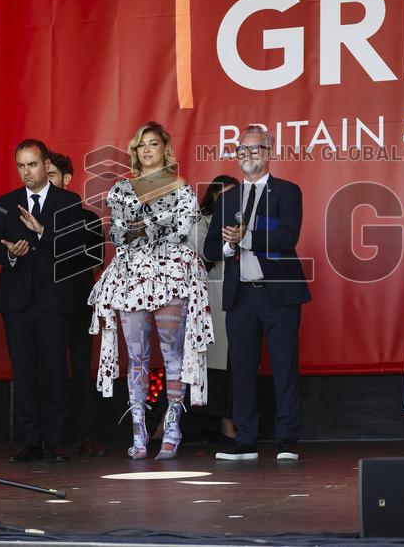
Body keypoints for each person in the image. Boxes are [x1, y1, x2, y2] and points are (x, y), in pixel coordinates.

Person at [89, 122, 214, 460]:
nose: (146, 150)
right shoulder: (121, 189)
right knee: (137, 357)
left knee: (173, 354)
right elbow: (115, 234)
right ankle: (140, 433)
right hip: (131, 277)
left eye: (153, 143)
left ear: (165, 149)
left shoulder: (181, 188)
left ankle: (172, 427)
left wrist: (144, 227)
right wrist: (136, 231)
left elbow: (181, 230)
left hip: (172, 274)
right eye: (141, 144)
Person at [204, 125, 311, 461]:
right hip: (241, 296)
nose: (247, 155)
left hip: (279, 294)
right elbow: (210, 249)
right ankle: (245, 440)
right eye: (241, 150)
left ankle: (287, 441)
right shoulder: (227, 199)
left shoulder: (287, 192)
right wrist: (228, 244)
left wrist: (246, 238)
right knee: (242, 370)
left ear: (269, 152)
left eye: (255, 149)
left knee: (284, 368)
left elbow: (287, 238)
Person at [0, 139, 85, 463]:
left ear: (45, 165)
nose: (26, 172)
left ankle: (56, 440)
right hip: (16, 302)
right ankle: (30, 440)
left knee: (56, 371)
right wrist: (10, 255)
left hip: (53, 302)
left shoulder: (68, 200)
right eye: (21, 166)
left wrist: (42, 233)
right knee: (24, 373)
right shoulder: (7, 201)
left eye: (32, 164)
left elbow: (75, 250)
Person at [46, 151, 106, 457]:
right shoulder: (34, 215)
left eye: (52, 176)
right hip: (44, 307)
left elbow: (95, 258)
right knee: (48, 370)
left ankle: (85, 433)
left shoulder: (88, 218)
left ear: (67, 179)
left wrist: (55, 244)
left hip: (79, 305)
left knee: (82, 371)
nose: (47, 183)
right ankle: (51, 436)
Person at [190, 175, 240, 441]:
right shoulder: (201, 223)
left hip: (241, 300)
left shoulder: (246, 224)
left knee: (236, 365)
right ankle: (217, 422)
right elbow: (201, 258)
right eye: (224, 196)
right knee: (213, 365)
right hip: (211, 303)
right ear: (212, 198)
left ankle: (231, 421)